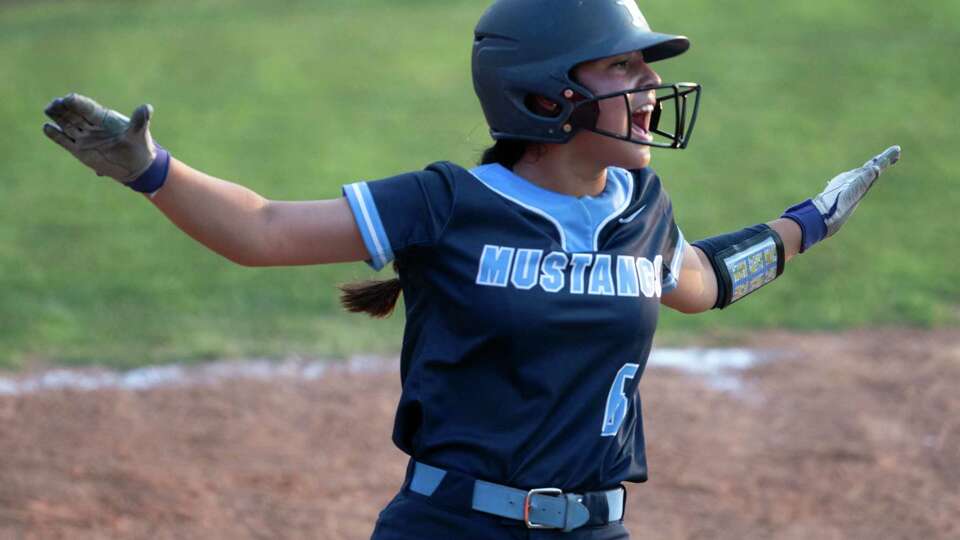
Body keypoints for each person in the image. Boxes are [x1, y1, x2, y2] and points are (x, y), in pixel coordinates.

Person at [41, 0, 900, 537]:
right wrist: (149, 171)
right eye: (623, 65)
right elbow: (263, 229)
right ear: (546, 93)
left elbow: (702, 284)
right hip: (452, 527)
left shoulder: (641, 211)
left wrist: (806, 224)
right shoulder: (449, 203)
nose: (648, 86)